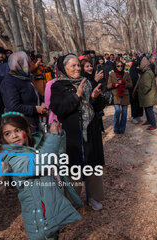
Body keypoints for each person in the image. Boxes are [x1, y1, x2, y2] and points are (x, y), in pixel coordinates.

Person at [0, 112, 82, 239]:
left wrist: (58, 136)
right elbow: (41, 163)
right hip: (39, 218)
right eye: (8, 133)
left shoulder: (35, 148)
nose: (14, 136)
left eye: (17, 130)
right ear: (3, 139)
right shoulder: (13, 159)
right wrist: (53, 138)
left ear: (27, 130)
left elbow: (56, 157)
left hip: (50, 210)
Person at [50, 54, 106, 211]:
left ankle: (93, 197)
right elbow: (59, 109)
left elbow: (98, 106)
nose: (77, 68)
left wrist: (95, 98)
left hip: (91, 131)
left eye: (78, 65)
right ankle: (73, 200)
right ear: (64, 67)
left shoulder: (87, 81)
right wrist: (77, 96)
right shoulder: (58, 86)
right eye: (73, 66)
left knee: (93, 166)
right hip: (73, 135)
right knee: (74, 168)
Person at [1, 51, 47, 132]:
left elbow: (34, 93)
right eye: (26, 63)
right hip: (22, 125)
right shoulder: (9, 82)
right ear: (17, 64)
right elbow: (13, 106)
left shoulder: (24, 77)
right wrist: (34, 109)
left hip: (34, 121)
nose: (28, 66)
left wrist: (43, 101)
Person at [80, 58, 105, 131]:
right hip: (87, 116)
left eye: (91, 66)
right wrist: (95, 81)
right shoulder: (82, 80)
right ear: (82, 68)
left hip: (96, 113)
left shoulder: (93, 77)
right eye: (87, 66)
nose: (90, 68)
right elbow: (87, 97)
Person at [108, 60, 133, 134]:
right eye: (118, 66)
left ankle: (122, 128)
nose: (120, 67)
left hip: (125, 95)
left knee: (124, 113)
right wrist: (113, 85)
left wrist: (124, 82)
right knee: (118, 111)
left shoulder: (126, 74)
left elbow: (131, 85)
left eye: (121, 66)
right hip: (116, 95)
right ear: (115, 67)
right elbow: (108, 85)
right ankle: (116, 128)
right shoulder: (112, 74)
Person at [137, 57, 157, 131]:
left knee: (149, 110)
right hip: (147, 96)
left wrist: (141, 91)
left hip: (149, 96)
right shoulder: (146, 72)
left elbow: (147, 86)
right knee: (147, 109)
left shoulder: (147, 73)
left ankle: (154, 125)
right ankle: (149, 121)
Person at [129, 59, 144, 124]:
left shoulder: (139, 72)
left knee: (140, 104)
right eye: (137, 66)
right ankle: (134, 117)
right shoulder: (132, 73)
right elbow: (132, 82)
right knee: (134, 104)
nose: (138, 67)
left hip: (140, 91)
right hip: (133, 91)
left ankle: (139, 116)